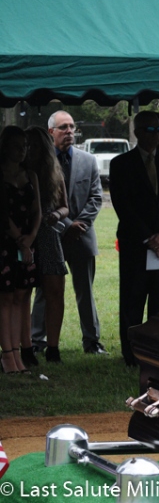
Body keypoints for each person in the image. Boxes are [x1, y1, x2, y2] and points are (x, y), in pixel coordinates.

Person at [110, 110, 159, 367]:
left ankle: (158, 351)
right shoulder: (121, 164)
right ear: (137, 132)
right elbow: (123, 206)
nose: (156, 135)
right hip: (136, 244)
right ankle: (131, 354)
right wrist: (148, 237)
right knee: (132, 300)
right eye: (150, 130)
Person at [31, 112, 106, 356]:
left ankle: (92, 341)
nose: (70, 131)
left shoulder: (88, 160)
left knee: (85, 290)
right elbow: (43, 202)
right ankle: (37, 340)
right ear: (51, 132)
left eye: (72, 127)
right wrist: (66, 225)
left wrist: (79, 224)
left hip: (82, 236)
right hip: (50, 235)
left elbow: (96, 197)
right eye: (63, 127)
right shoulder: (41, 161)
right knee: (44, 290)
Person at [25, 127, 68, 364]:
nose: (31, 150)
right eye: (27, 145)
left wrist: (57, 215)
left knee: (55, 292)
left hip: (48, 235)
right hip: (24, 235)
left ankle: (53, 348)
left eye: (36, 145)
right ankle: (25, 346)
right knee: (22, 293)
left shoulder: (54, 172)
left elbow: (65, 206)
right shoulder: (16, 172)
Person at [0, 126, 41, 373]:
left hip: (27, 242)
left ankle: (17, 354)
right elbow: (2, 215)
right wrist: (19, 240)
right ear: (5, 147)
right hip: (6, 242)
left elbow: (37, 211)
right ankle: (7, 355)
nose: (22, 151)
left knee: (21, 295)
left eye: (25, 146)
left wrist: (31, 237)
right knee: (5, 298)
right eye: (17, 146)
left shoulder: (30, 175)